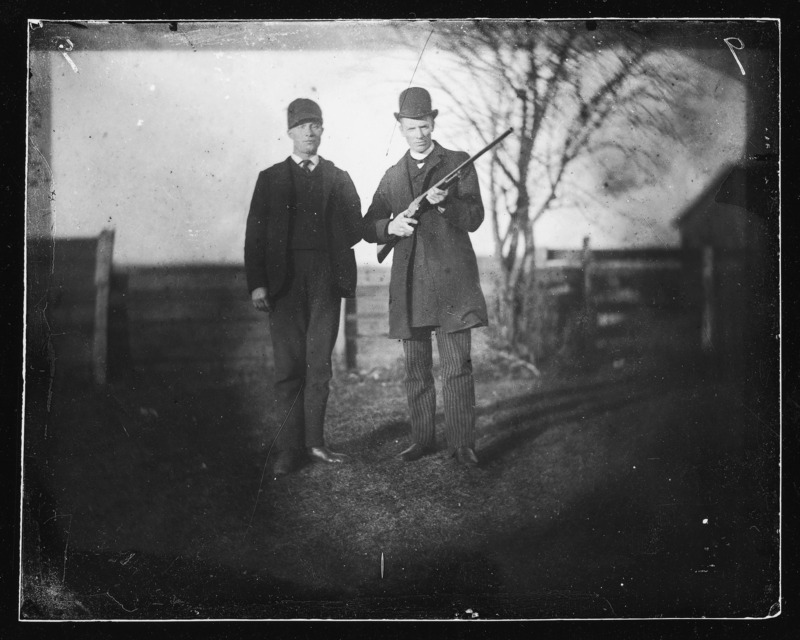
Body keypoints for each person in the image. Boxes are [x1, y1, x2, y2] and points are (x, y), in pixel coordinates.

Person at [362, 87, 487, 466]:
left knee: (456, 368)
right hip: (410, 286)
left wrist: (445, 202)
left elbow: (475, 219)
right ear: (399, 126)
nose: (420, 133)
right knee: (416, 372)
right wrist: (391, 226)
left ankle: (462, 444)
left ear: (434, 122)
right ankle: (421, 440)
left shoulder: (459, 163)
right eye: (412, 126)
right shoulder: (392, 176)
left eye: (425, 125)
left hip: (452, 283)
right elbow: (368, 225)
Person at [245, 98, 362, 477]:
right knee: (287, 367)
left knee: (319, 365)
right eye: (302, 126)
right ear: (290, 132)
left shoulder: (339, 177)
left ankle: (315, 444)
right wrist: (258, 284)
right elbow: (255, 237)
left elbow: (356, 227)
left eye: (316, 125)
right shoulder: (270, 178)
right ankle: (288, 448)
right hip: (285, 283)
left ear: (323, 130)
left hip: (326, 279)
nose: (310, 132)